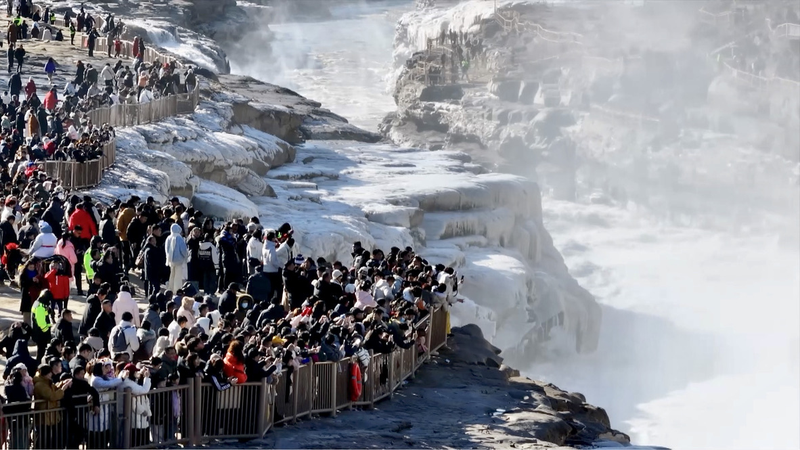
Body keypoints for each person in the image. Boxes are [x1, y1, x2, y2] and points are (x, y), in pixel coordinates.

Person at [33, 363, 70, 450]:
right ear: (45, 374)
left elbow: (53, 388)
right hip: (44, 417)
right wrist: (63, 389)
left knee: (50, 439)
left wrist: (61, 384)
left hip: (50, 416)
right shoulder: (40, 384)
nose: (51, 374)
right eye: (49, 373)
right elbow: (51, 396)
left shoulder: (46, 382)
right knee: (43, 440)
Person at [165, 223, 187, 293]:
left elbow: (166, 249)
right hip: (179, 260)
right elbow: (183, 250)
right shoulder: (179, 238)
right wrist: (186, 256)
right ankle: (177, 290)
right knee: (178, 276)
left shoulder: (168, 238)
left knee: (172, 275)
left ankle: (170, 289)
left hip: (171, 260)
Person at [31, 290, 53, 359]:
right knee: (41, 351)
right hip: (41, 333)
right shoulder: (40, 307)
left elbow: (43, 314)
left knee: (41, 350)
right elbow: (41, 321)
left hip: (38, 331)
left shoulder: (38, 303)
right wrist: (46, 331)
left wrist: (48, 311)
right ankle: (39, 364)